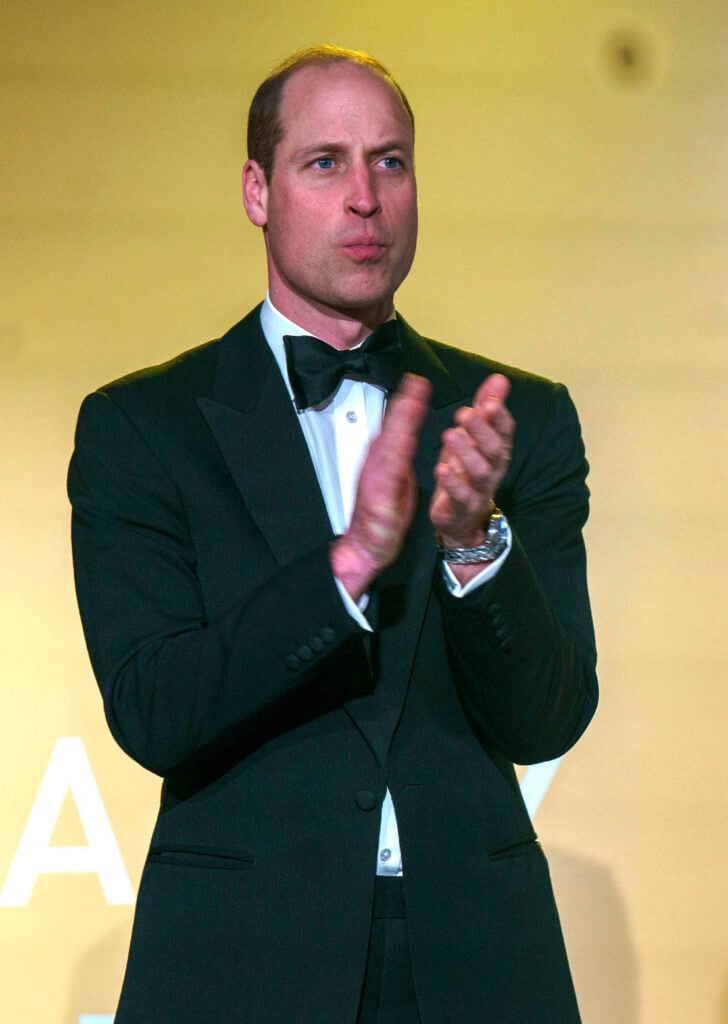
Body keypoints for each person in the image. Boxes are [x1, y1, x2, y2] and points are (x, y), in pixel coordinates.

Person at [68, 45, 598, 1024]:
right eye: (325, 162)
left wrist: (474, 543)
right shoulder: (144, 426)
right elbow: (153, 709)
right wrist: (345, 565)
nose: (365, 198)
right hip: (240, 958)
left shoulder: (515, 420)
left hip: (478, 963)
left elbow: (549, 716)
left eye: (389, 161)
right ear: (256, 190)